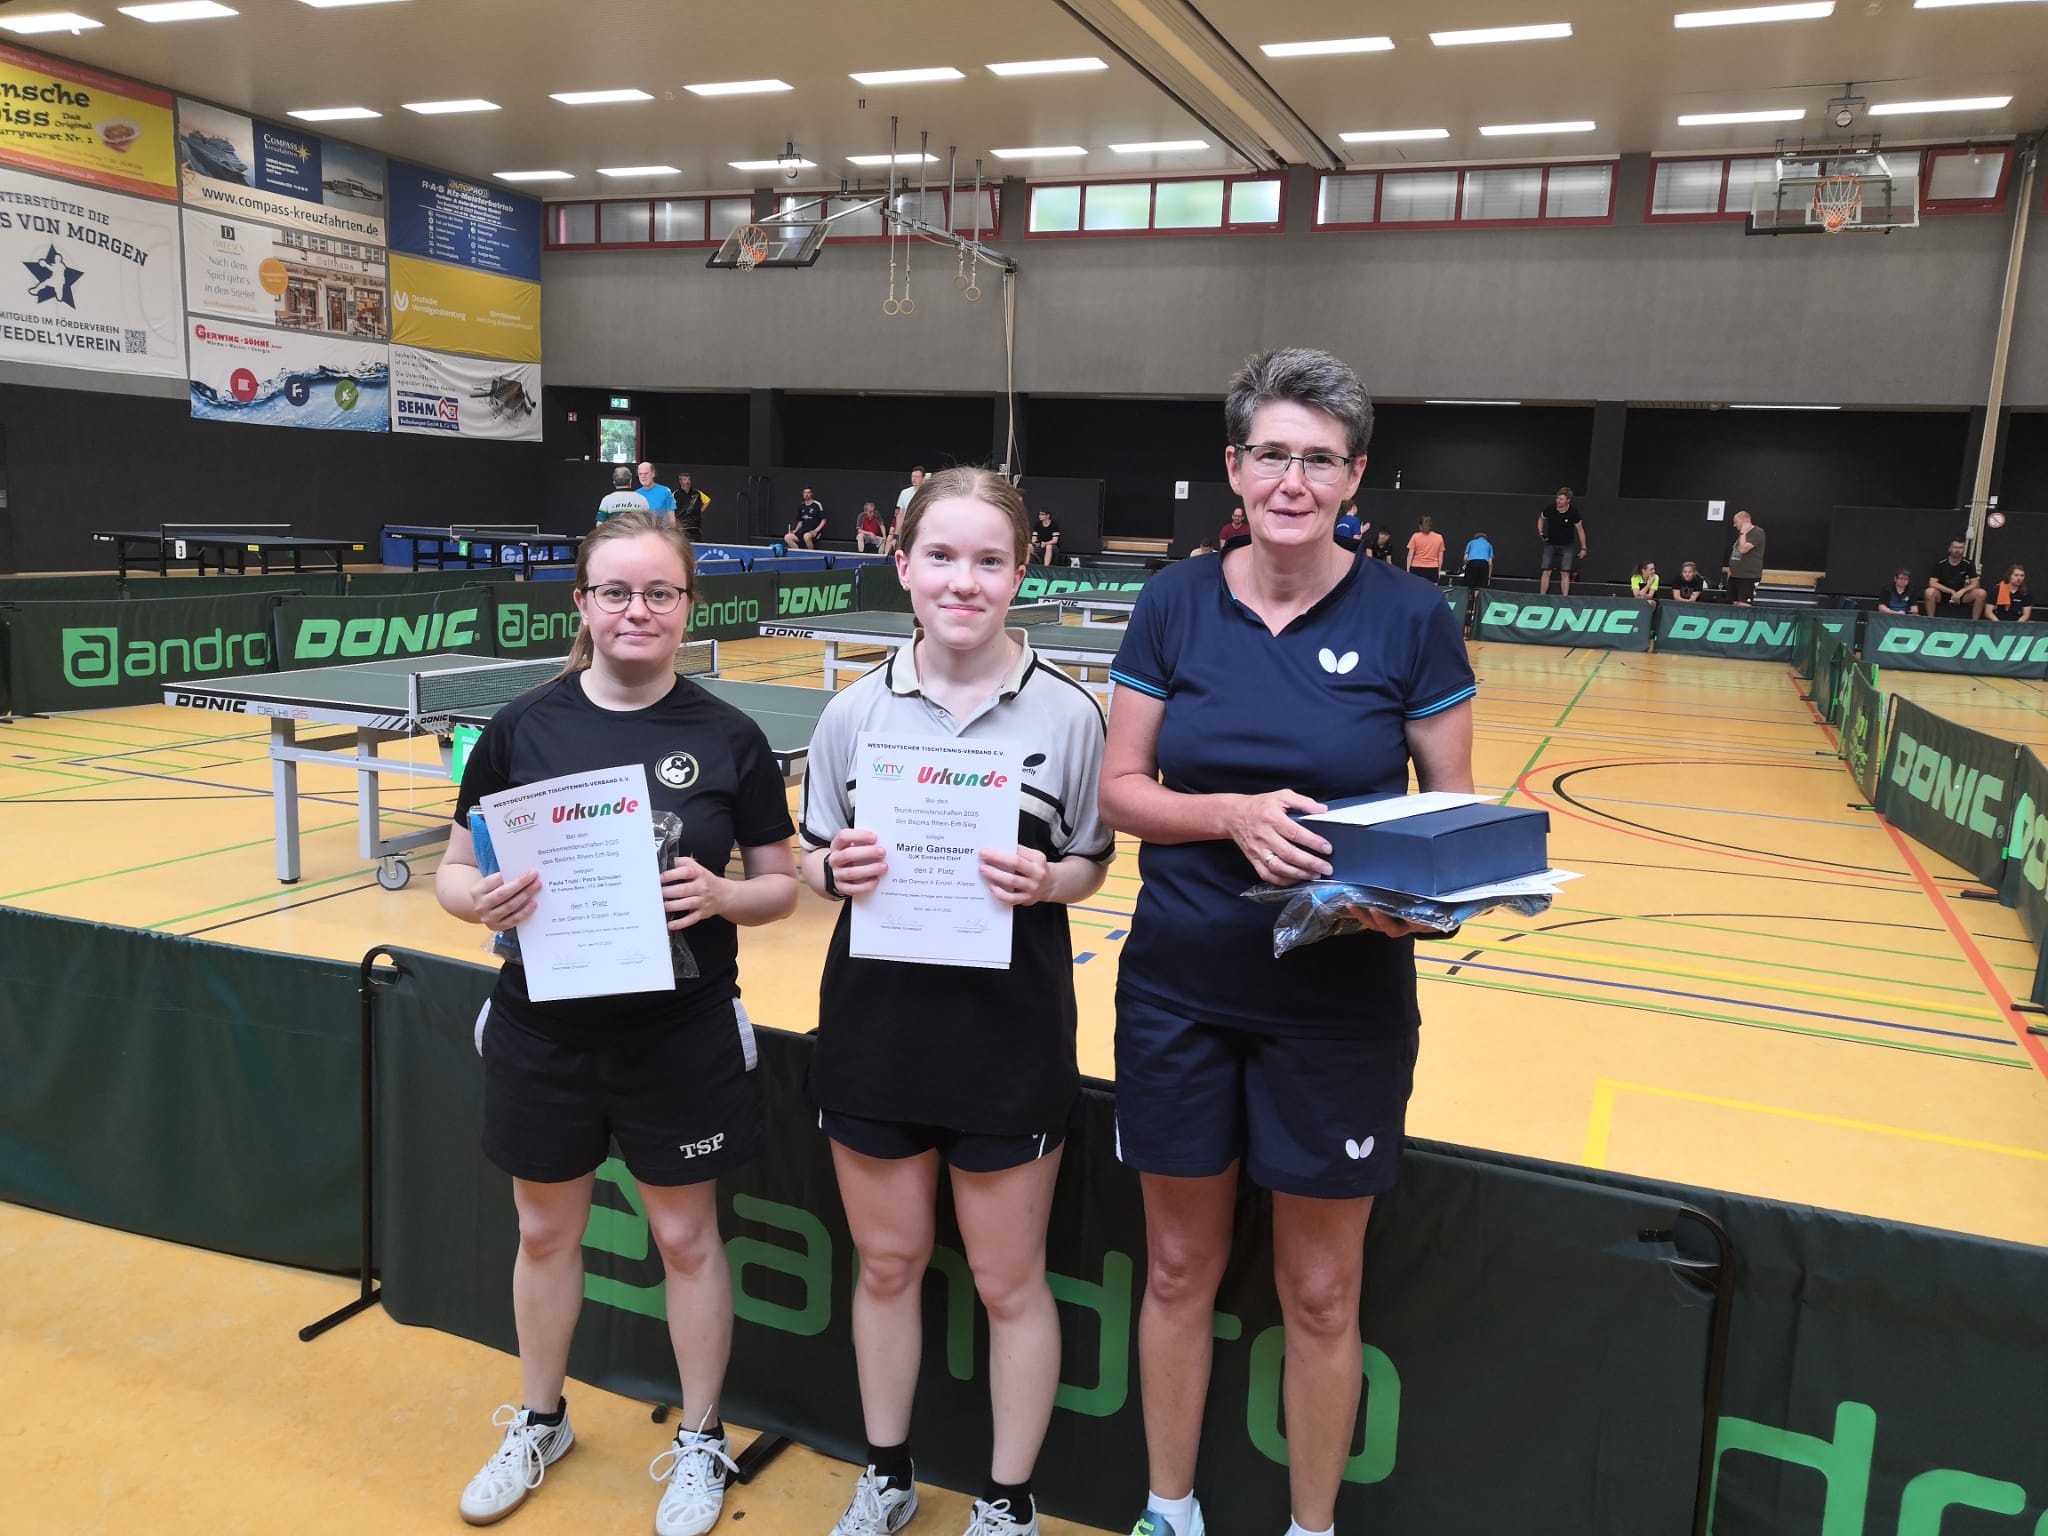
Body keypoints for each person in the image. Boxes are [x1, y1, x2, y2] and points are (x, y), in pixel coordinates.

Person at [1102, 348, 1476, 1536]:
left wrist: (1420, 900)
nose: (1292, 481)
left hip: (1338, 1007)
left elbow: (1450, 823)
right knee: (1177, 1271)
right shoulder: (1171, 601)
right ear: (1234, 466)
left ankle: (1310, 1529)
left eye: (1319, 461)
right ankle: (1169, 1511)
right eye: (1271, 455)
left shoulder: (1412, 617)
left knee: (1317, 1294)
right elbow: (1119, 790)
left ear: (1353, 477)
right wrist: (1229, 815)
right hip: (1178, 993)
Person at [438, 509, 800, 1535]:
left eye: (659, 593)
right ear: (583, 605)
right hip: (543, 1029)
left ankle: (701, 1439)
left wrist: (724, 897)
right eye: (615, 592)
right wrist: (479, 901)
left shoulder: (729, 736)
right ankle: (540, 1419)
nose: (636, 610)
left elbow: (782, 885)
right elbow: (455, 871)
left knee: (685, 1237)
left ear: (687, 606)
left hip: (679, 1035)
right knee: (544, 1229)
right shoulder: (521, 728)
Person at [802, 467, 1113, 1536]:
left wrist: (1051, 880)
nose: (963, 581)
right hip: (875, 1032)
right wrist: (830, 871)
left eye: (989, 560)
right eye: (940, 556)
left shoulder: (1072, 714)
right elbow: (813, 857)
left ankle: (1006, 1503)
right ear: (902, 565)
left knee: (1007, 1282)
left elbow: (1090, 862)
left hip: (1008, 1040)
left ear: (1021, 573)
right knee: (887, 1265)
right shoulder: (851, 711)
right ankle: (886, 1477)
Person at [1537, 487, 1585, 597]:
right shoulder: (1550, 508)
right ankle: (1541, 596)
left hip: (1567, 545)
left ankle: (1564, 597)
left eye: (1561, 499)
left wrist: (1583, 548)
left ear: (1568, 500)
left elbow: (1580, 529)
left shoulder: (1573, 512)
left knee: (1565, 572)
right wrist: (1540, 532)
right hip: (1551, 544)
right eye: (1558, 498)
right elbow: (1541, 519)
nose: (1558, 501)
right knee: (1546, 570)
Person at [1924, 538, 1986, 619]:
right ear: (1949, 548)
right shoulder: (1940, 563)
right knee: (1929, 592)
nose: (1957, 550)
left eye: (1960, 548)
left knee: (1981, 593)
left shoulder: (1968, 563)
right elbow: (1932, 583)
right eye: (1955, 547)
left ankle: (1974, 622)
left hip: (1962, 595)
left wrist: (1962, 591)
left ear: (1964, 549)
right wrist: (1951, 591)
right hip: (1942, 594)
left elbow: (1975, 583)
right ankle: (1930, 620)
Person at [1726, 510, 1766, 607]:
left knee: (1743, 605)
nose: (1734, 525)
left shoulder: (1757, 532)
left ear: (1743, 520)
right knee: (1734, 603)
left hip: (1748, 576)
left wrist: (1743, 533)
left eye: (1736, 522)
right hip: (1735, 575)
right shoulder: (1743, 535)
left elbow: (1743, 549)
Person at [1405, 515, 1445, 585]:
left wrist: (1408, 570)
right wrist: (1439, 570)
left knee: (1416, 589)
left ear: (1420, 526)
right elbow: (1440, 557)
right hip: (1433, 569)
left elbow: (1410, 555)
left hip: (1416, 568)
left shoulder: (1415, 536)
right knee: (1431, 591)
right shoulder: (1439, 537)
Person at [675, 473, 711, 537]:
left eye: (689, 479)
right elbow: (670, 508)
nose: (687, 482)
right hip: (681, 527)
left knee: (696, 542)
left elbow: (707, 501)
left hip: (695, 526)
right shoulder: (676, 494)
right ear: (680, 481)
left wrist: (699, 511)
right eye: (684, 479)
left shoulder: (697, 493)